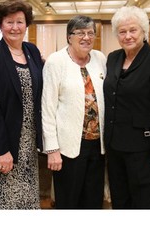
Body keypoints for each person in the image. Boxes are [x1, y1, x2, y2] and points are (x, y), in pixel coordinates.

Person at [104, 6, 150, 209]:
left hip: (147, 150)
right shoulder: (113, 58)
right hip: (116, 147)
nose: (128, 36)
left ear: (144, 31)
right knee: (121, 201)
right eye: (122, 31)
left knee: (147, 204)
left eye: (133, 30)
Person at [0, 0, 44, 209]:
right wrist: (1, 150)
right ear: (0, 25)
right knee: (4, 203)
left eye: (20, 21)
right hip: (6, 144)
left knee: (27, 200)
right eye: (9, 22)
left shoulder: (32, 51)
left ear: (27, 24)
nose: (15, 27)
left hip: (28, 142)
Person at [41, 15, 106, 209]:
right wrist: (52, 149)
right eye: (80, 33)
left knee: (94, 201)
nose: (86, 37)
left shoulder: (99, 58)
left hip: (98, 146)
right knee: (69, 202)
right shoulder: (56, 62)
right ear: (69, 37)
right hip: (68, 148)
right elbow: (47, 107)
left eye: (90, 33)